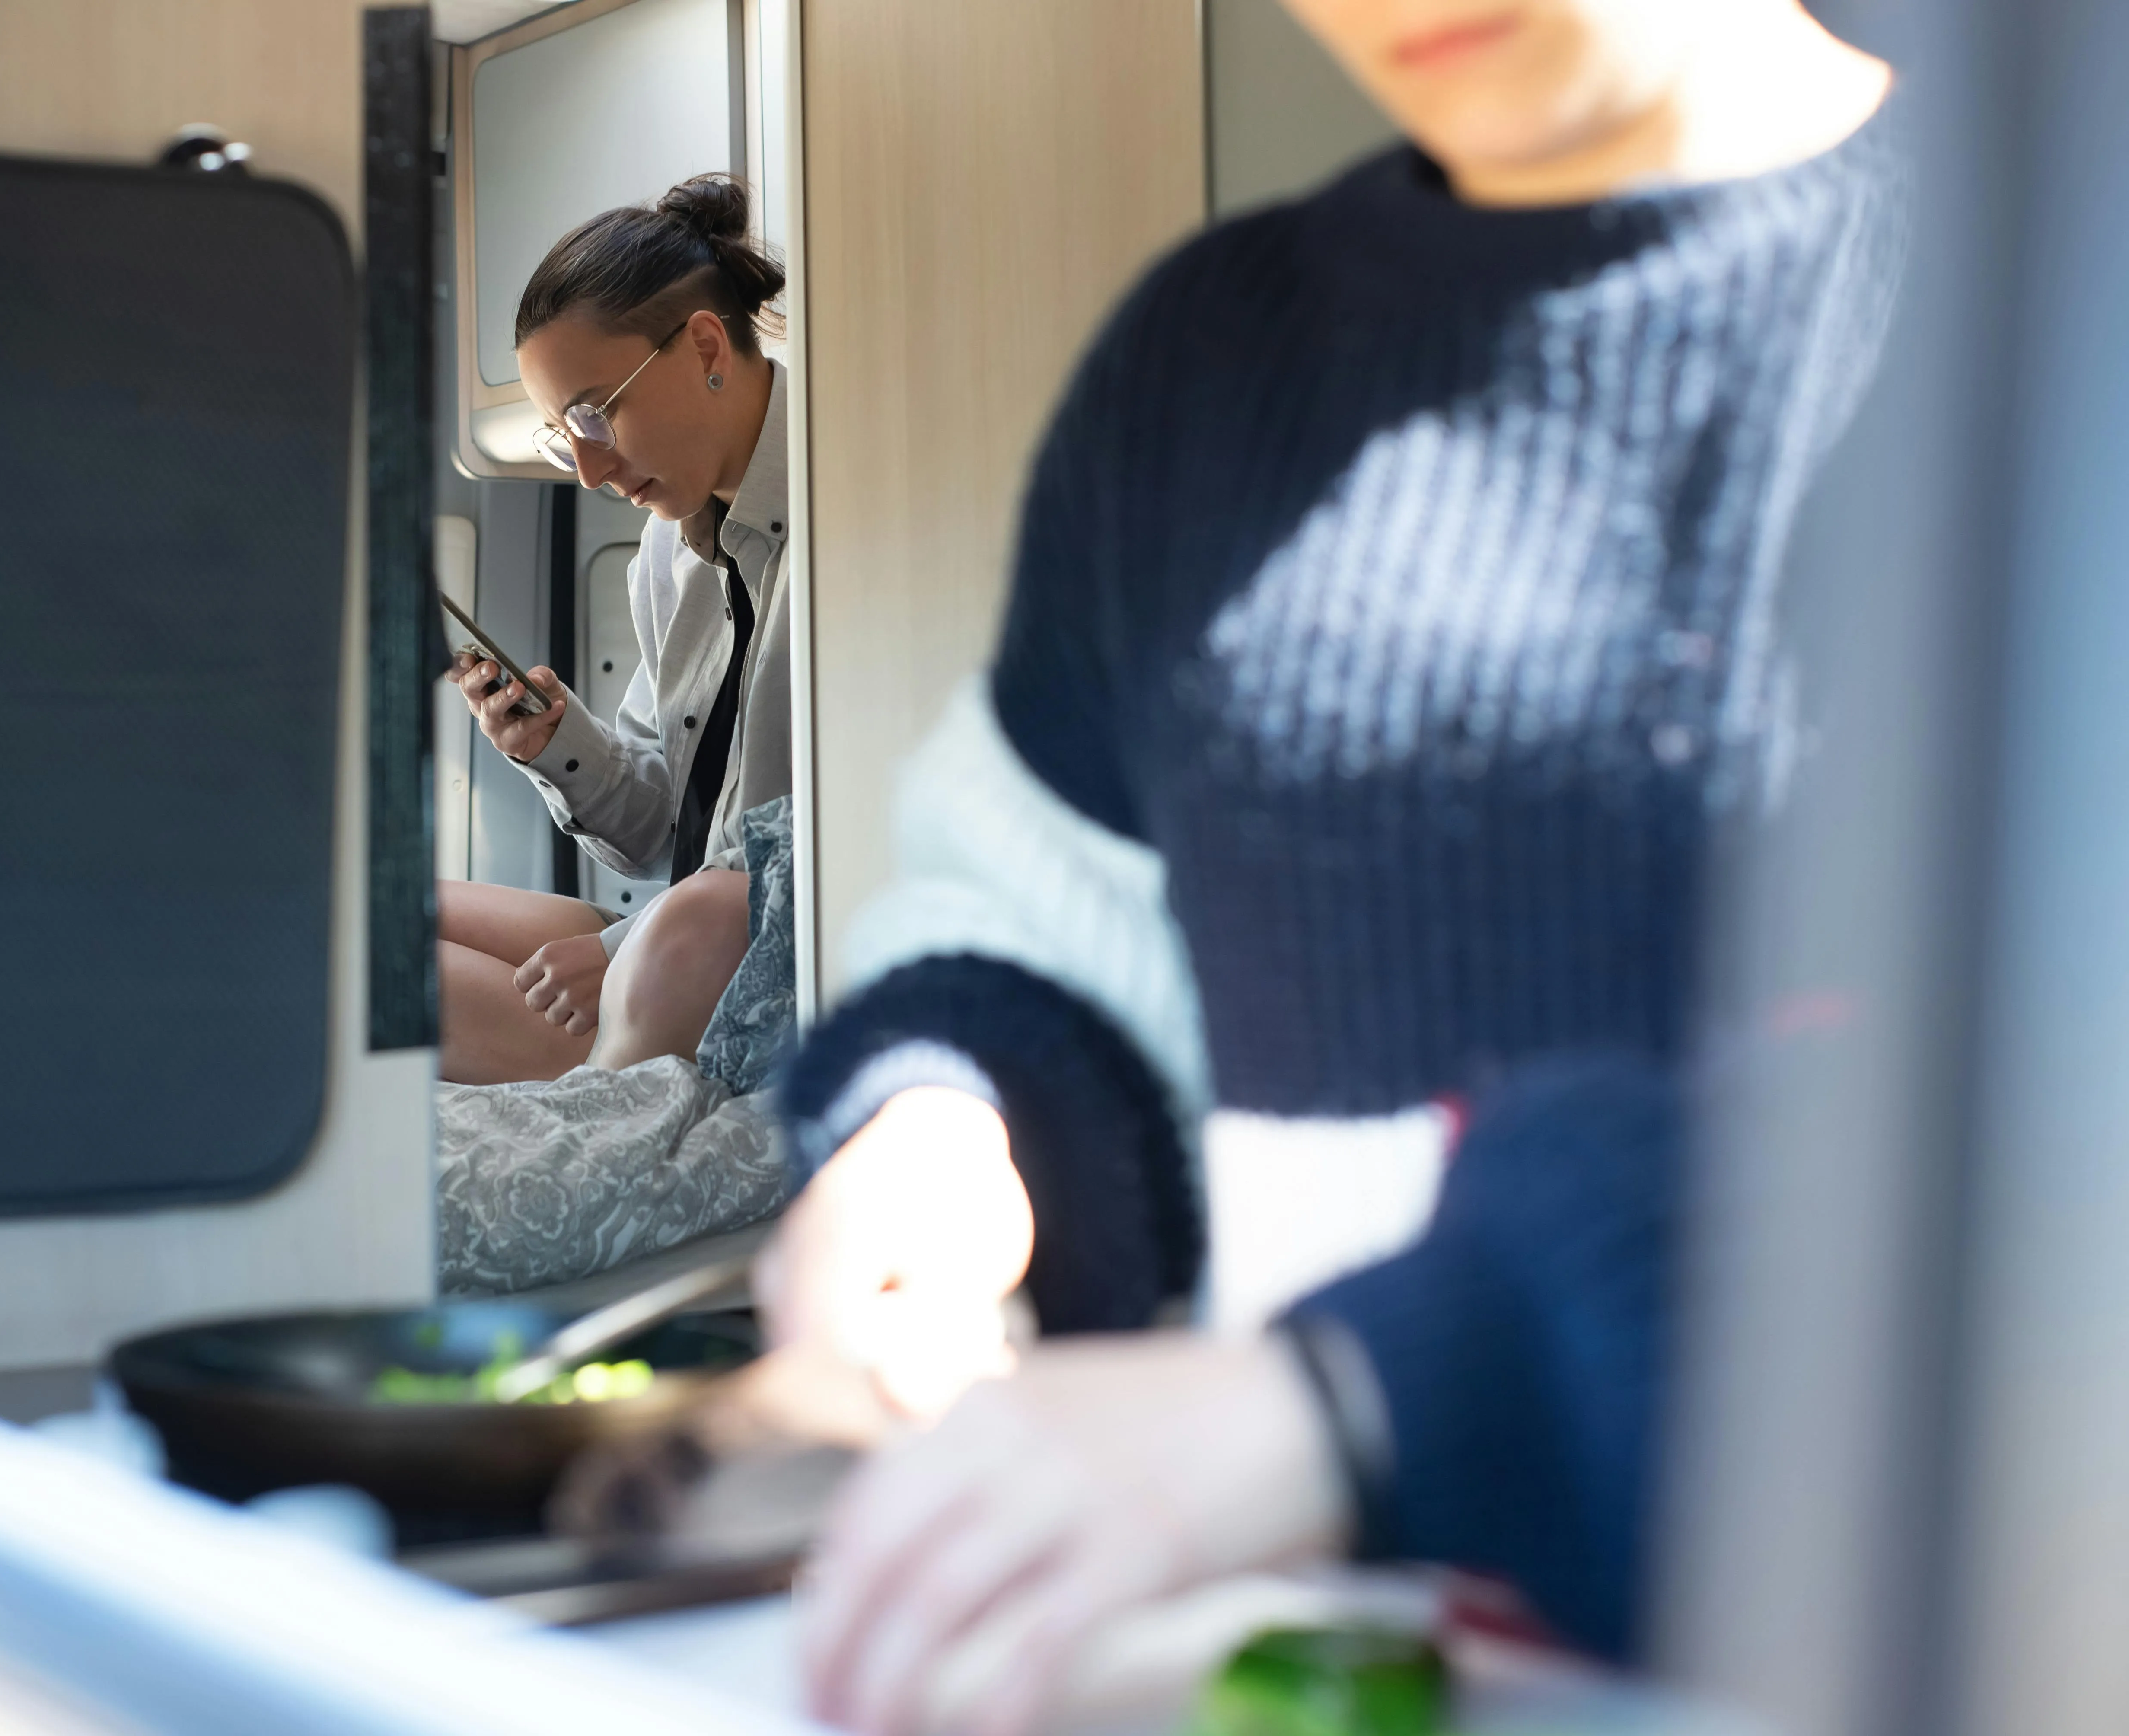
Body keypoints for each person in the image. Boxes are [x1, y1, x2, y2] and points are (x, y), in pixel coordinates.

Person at [758, 1, 1904, 1729]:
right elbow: (1047, 921)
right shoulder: (1203, 363)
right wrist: (948, 1125)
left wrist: (1382, 1386)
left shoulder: (2047, 276)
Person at [439, 176, 795, 1085]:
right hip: (672, 935)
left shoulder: (855, 519)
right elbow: (651, 833)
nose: (590, 470)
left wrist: (629, 947)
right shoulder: (666, 555)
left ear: (705, 346)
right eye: (566, 435)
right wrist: (558, 744)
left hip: (748, 973)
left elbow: (810, 858)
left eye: (595, 414)